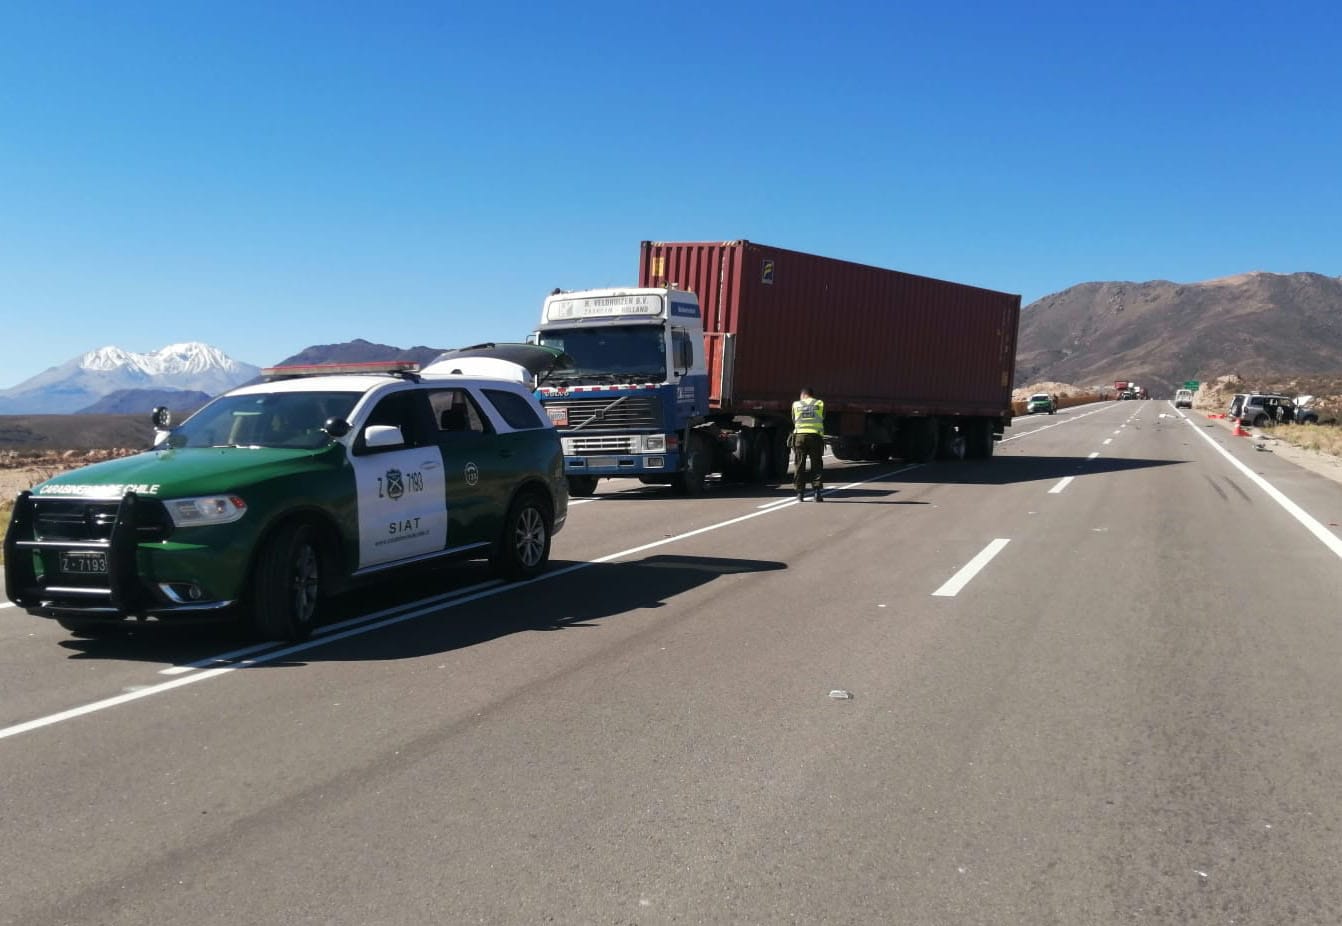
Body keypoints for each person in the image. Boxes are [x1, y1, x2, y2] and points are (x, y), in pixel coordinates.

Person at [791, 385, 825, 502]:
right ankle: (817, 493)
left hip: (800, 437)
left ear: (803, 395)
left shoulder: (796, 405)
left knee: (799, 464)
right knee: (816, 464)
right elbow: (823, 417)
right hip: (815, 437)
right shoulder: (820, 404)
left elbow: (793, 419)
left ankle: (800, 494)